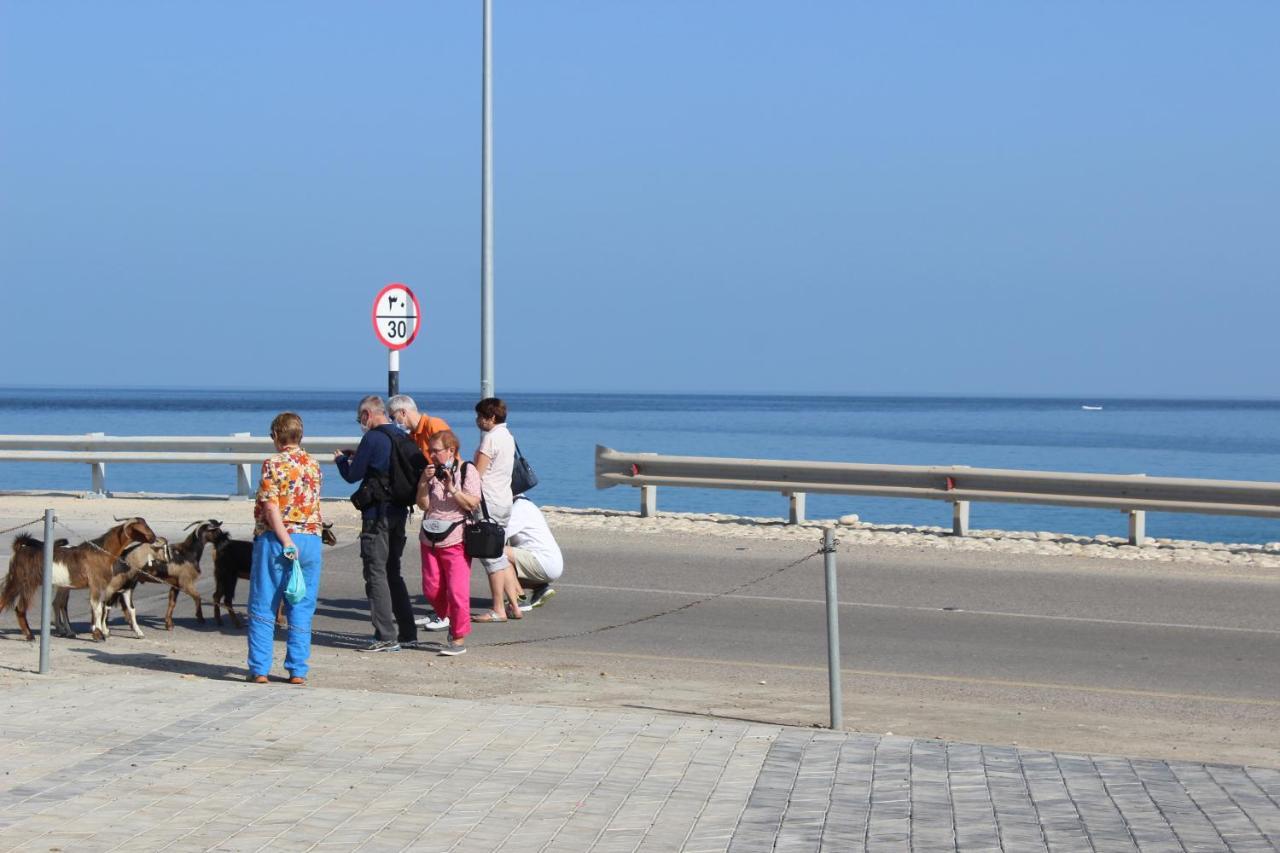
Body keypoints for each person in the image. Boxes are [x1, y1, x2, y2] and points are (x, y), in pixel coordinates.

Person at [335, 395, 418, 652]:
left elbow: (352, 475)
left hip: (376, 516)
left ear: (366, 415)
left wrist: (340, 460)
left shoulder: (372, 437)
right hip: (399, 511)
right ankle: (407, 632)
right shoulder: (401, 435)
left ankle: (385, 635)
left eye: (360, 418)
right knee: (393, 571)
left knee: (375, 573)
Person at [247, 412, 324, 685]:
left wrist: (285, 540)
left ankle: (259, 668)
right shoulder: (313, 464)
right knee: (302, 605)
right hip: (312, 538)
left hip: (278, 538)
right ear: (299, 436)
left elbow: (271, 506)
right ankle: (297, 669)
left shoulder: (273, 463)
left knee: (265, 603)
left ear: (277, 437)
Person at [416, 430, 481, 655]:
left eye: (436, 451)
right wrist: (424, 481)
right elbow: (423, 505)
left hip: (457, 538)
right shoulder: (430, 473)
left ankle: (458, 637)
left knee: (457, 591)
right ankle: (449, 616)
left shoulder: (467, 470)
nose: (431, 455)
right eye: (430, 450)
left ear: (451, 450)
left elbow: (472, 503)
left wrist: (452, 488)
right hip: (430, 537)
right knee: (431, 588)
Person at [471, 397, 523, 620]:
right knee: (499, 552)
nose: (477, 420)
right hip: (504, 500)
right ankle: (514, 605)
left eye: (481, 416)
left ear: (491, 417)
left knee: (490, 556)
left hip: (488, 502)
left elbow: (476, 475)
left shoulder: (490, 439)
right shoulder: (508, 436)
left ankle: (498, 608)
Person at [506, 496, 563, 612]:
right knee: (502, 562)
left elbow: (501, 535)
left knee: (496, 553)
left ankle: (520, 599)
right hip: (549, 562)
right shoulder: (526, 504)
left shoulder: (519, 507)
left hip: (543, 562)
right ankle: (540, 588)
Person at [388, 394, 451, 463]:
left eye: (392, 417)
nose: (391, 421)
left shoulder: (433, 424)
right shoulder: (410, 435)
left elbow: (450, 455)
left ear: (403, 413)